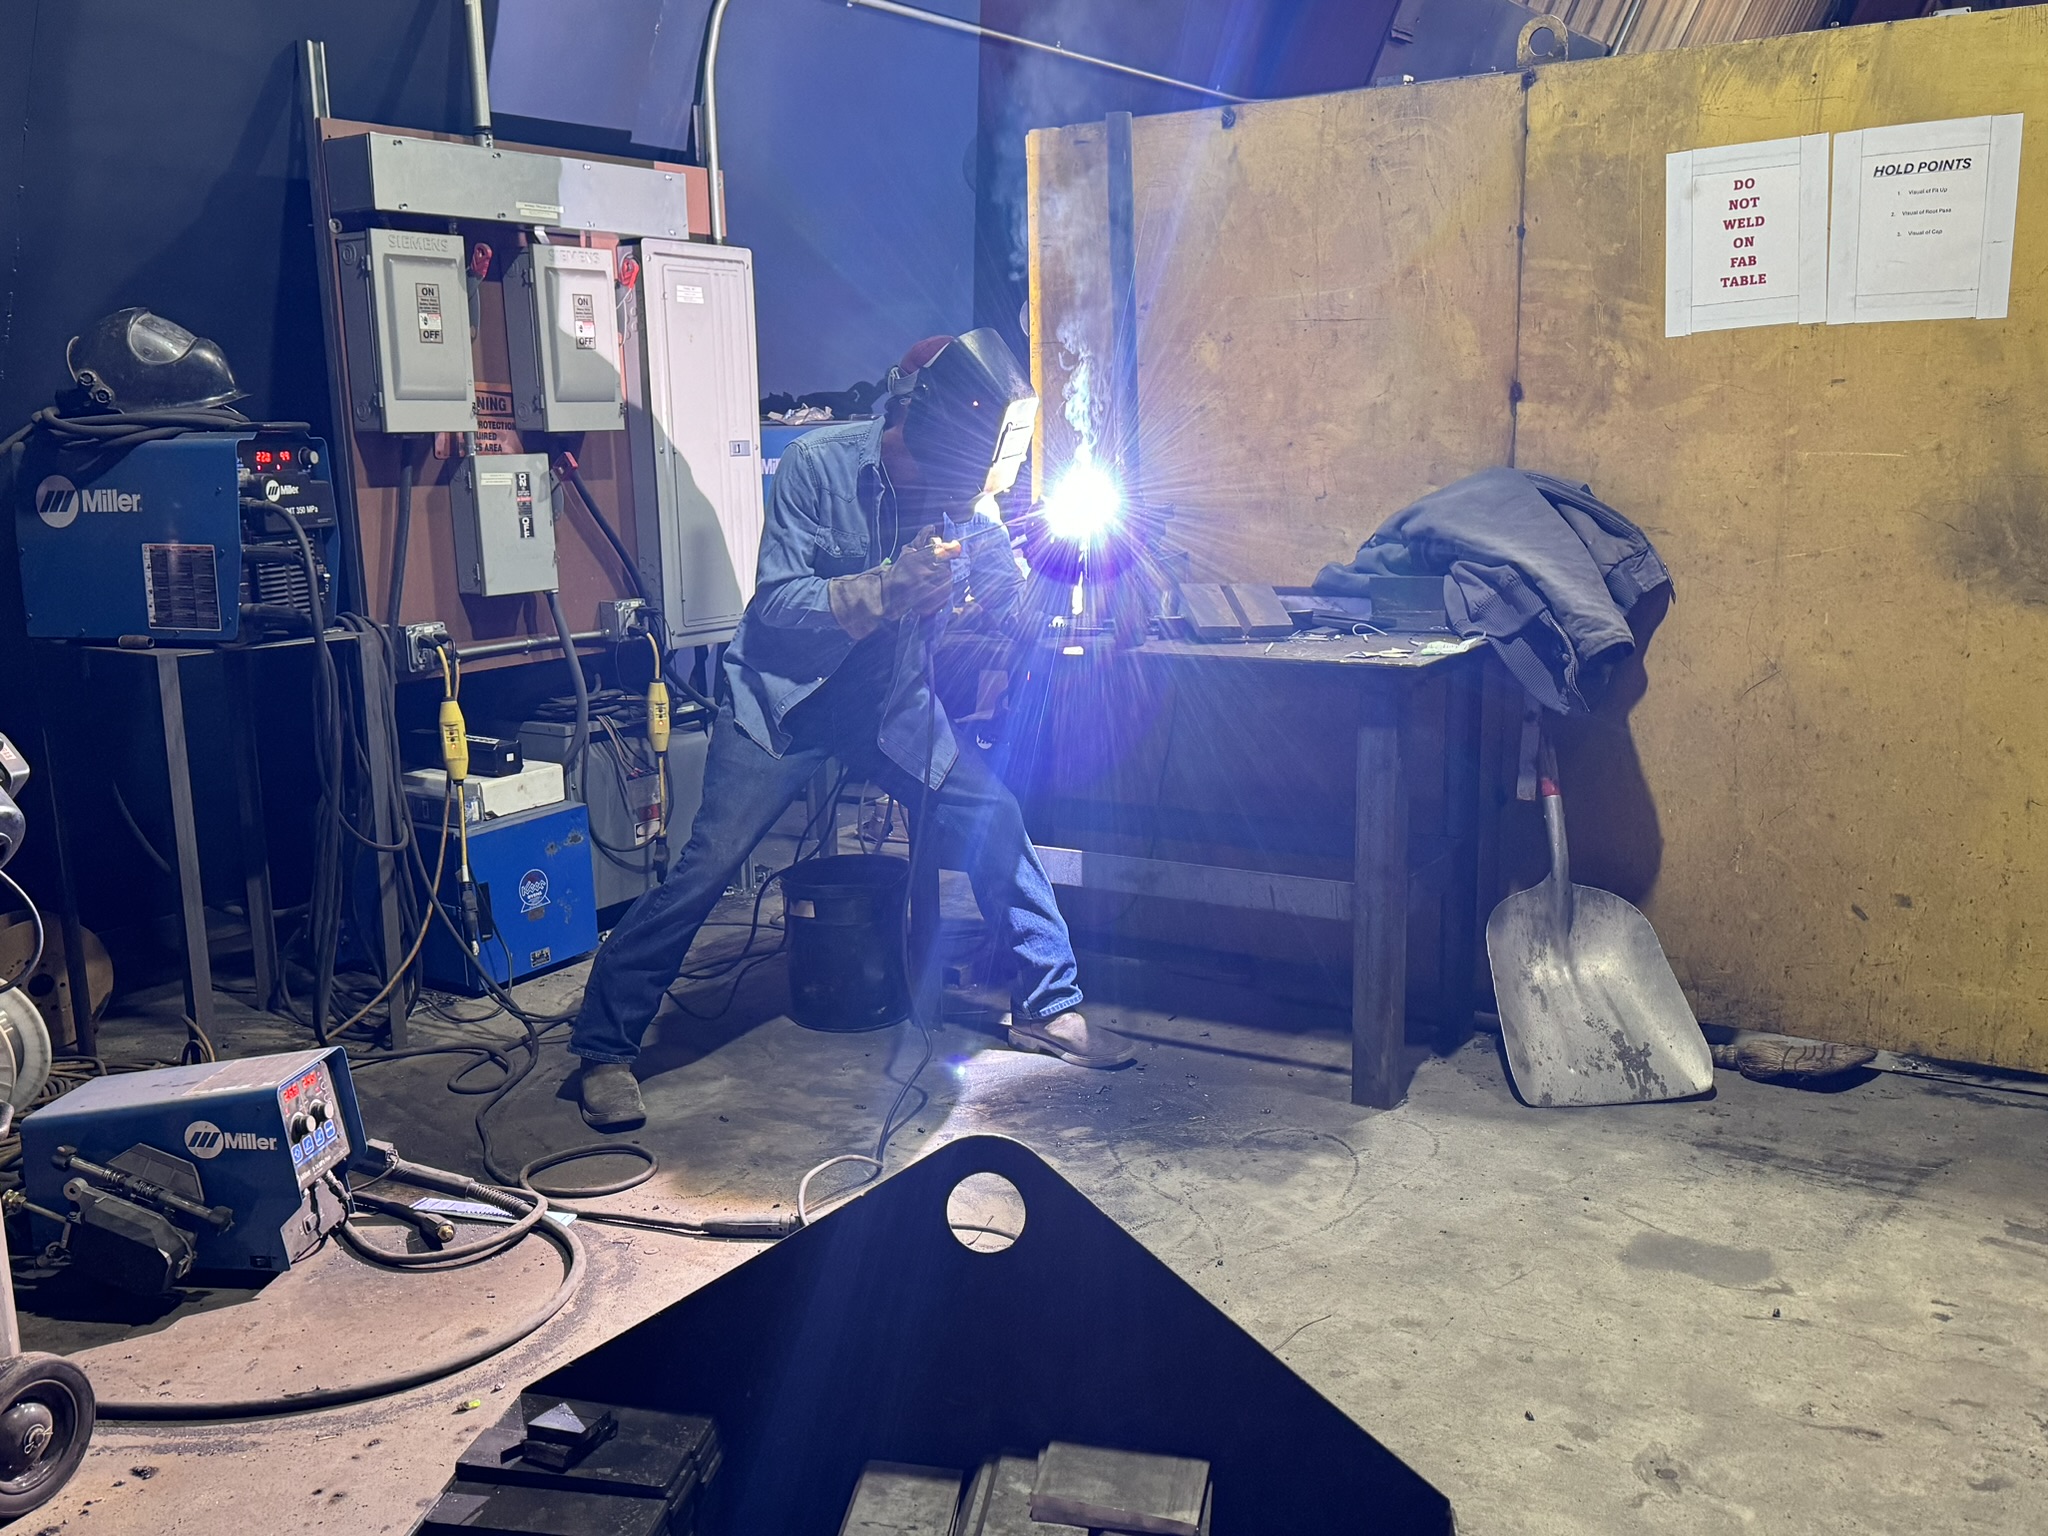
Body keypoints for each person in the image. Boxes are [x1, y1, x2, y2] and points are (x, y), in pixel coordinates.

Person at [569, 331, 1130, 1130]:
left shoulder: (967, 497)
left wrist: (1076, 582)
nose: (959, 501)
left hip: (891, 708)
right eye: (951, 482)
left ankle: (1048, 1004)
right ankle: (603, 1047)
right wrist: (886, 588)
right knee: (705, 869)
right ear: (921, 431)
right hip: (785, 704)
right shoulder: (817, 468)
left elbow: (1007, 589)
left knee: (991, 813)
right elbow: (776, 607)